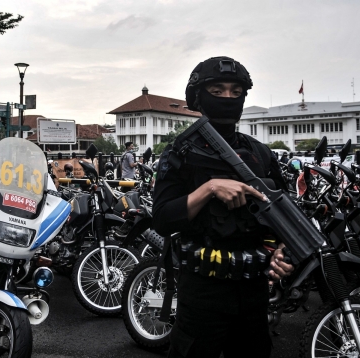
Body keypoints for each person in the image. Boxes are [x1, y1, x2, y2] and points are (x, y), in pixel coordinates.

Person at [153, 56, 293, 358]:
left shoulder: (261, 155)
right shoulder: (180, 153)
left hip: (253, 291)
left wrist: (282, 251)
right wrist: (210, 188)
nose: (228, 97)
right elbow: (163, 218)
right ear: (198, 98)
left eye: (235, 91)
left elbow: (284, 216)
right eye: (217, 91)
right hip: (203, 291)